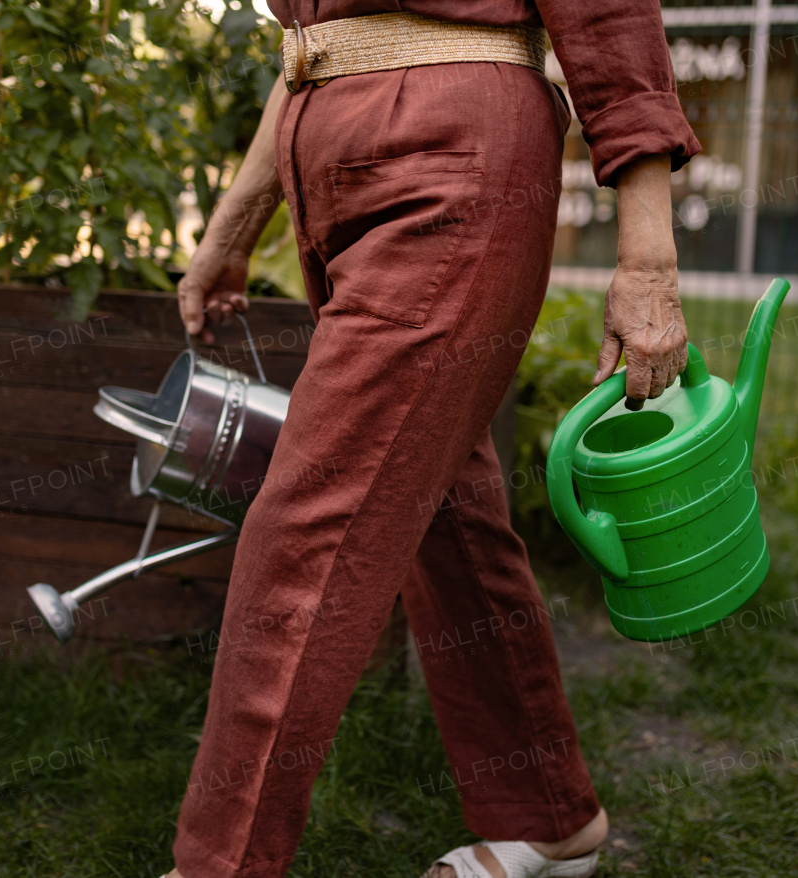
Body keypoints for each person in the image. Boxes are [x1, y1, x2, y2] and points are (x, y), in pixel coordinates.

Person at [168, 2, 699, 876]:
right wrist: (233, 229)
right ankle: (549, 815)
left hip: (453, 168)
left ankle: (218, 865)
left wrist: (648, 262)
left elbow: (608, 19)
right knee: (444, 514)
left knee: (309, 526)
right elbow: (317, 40)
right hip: (338, 168)